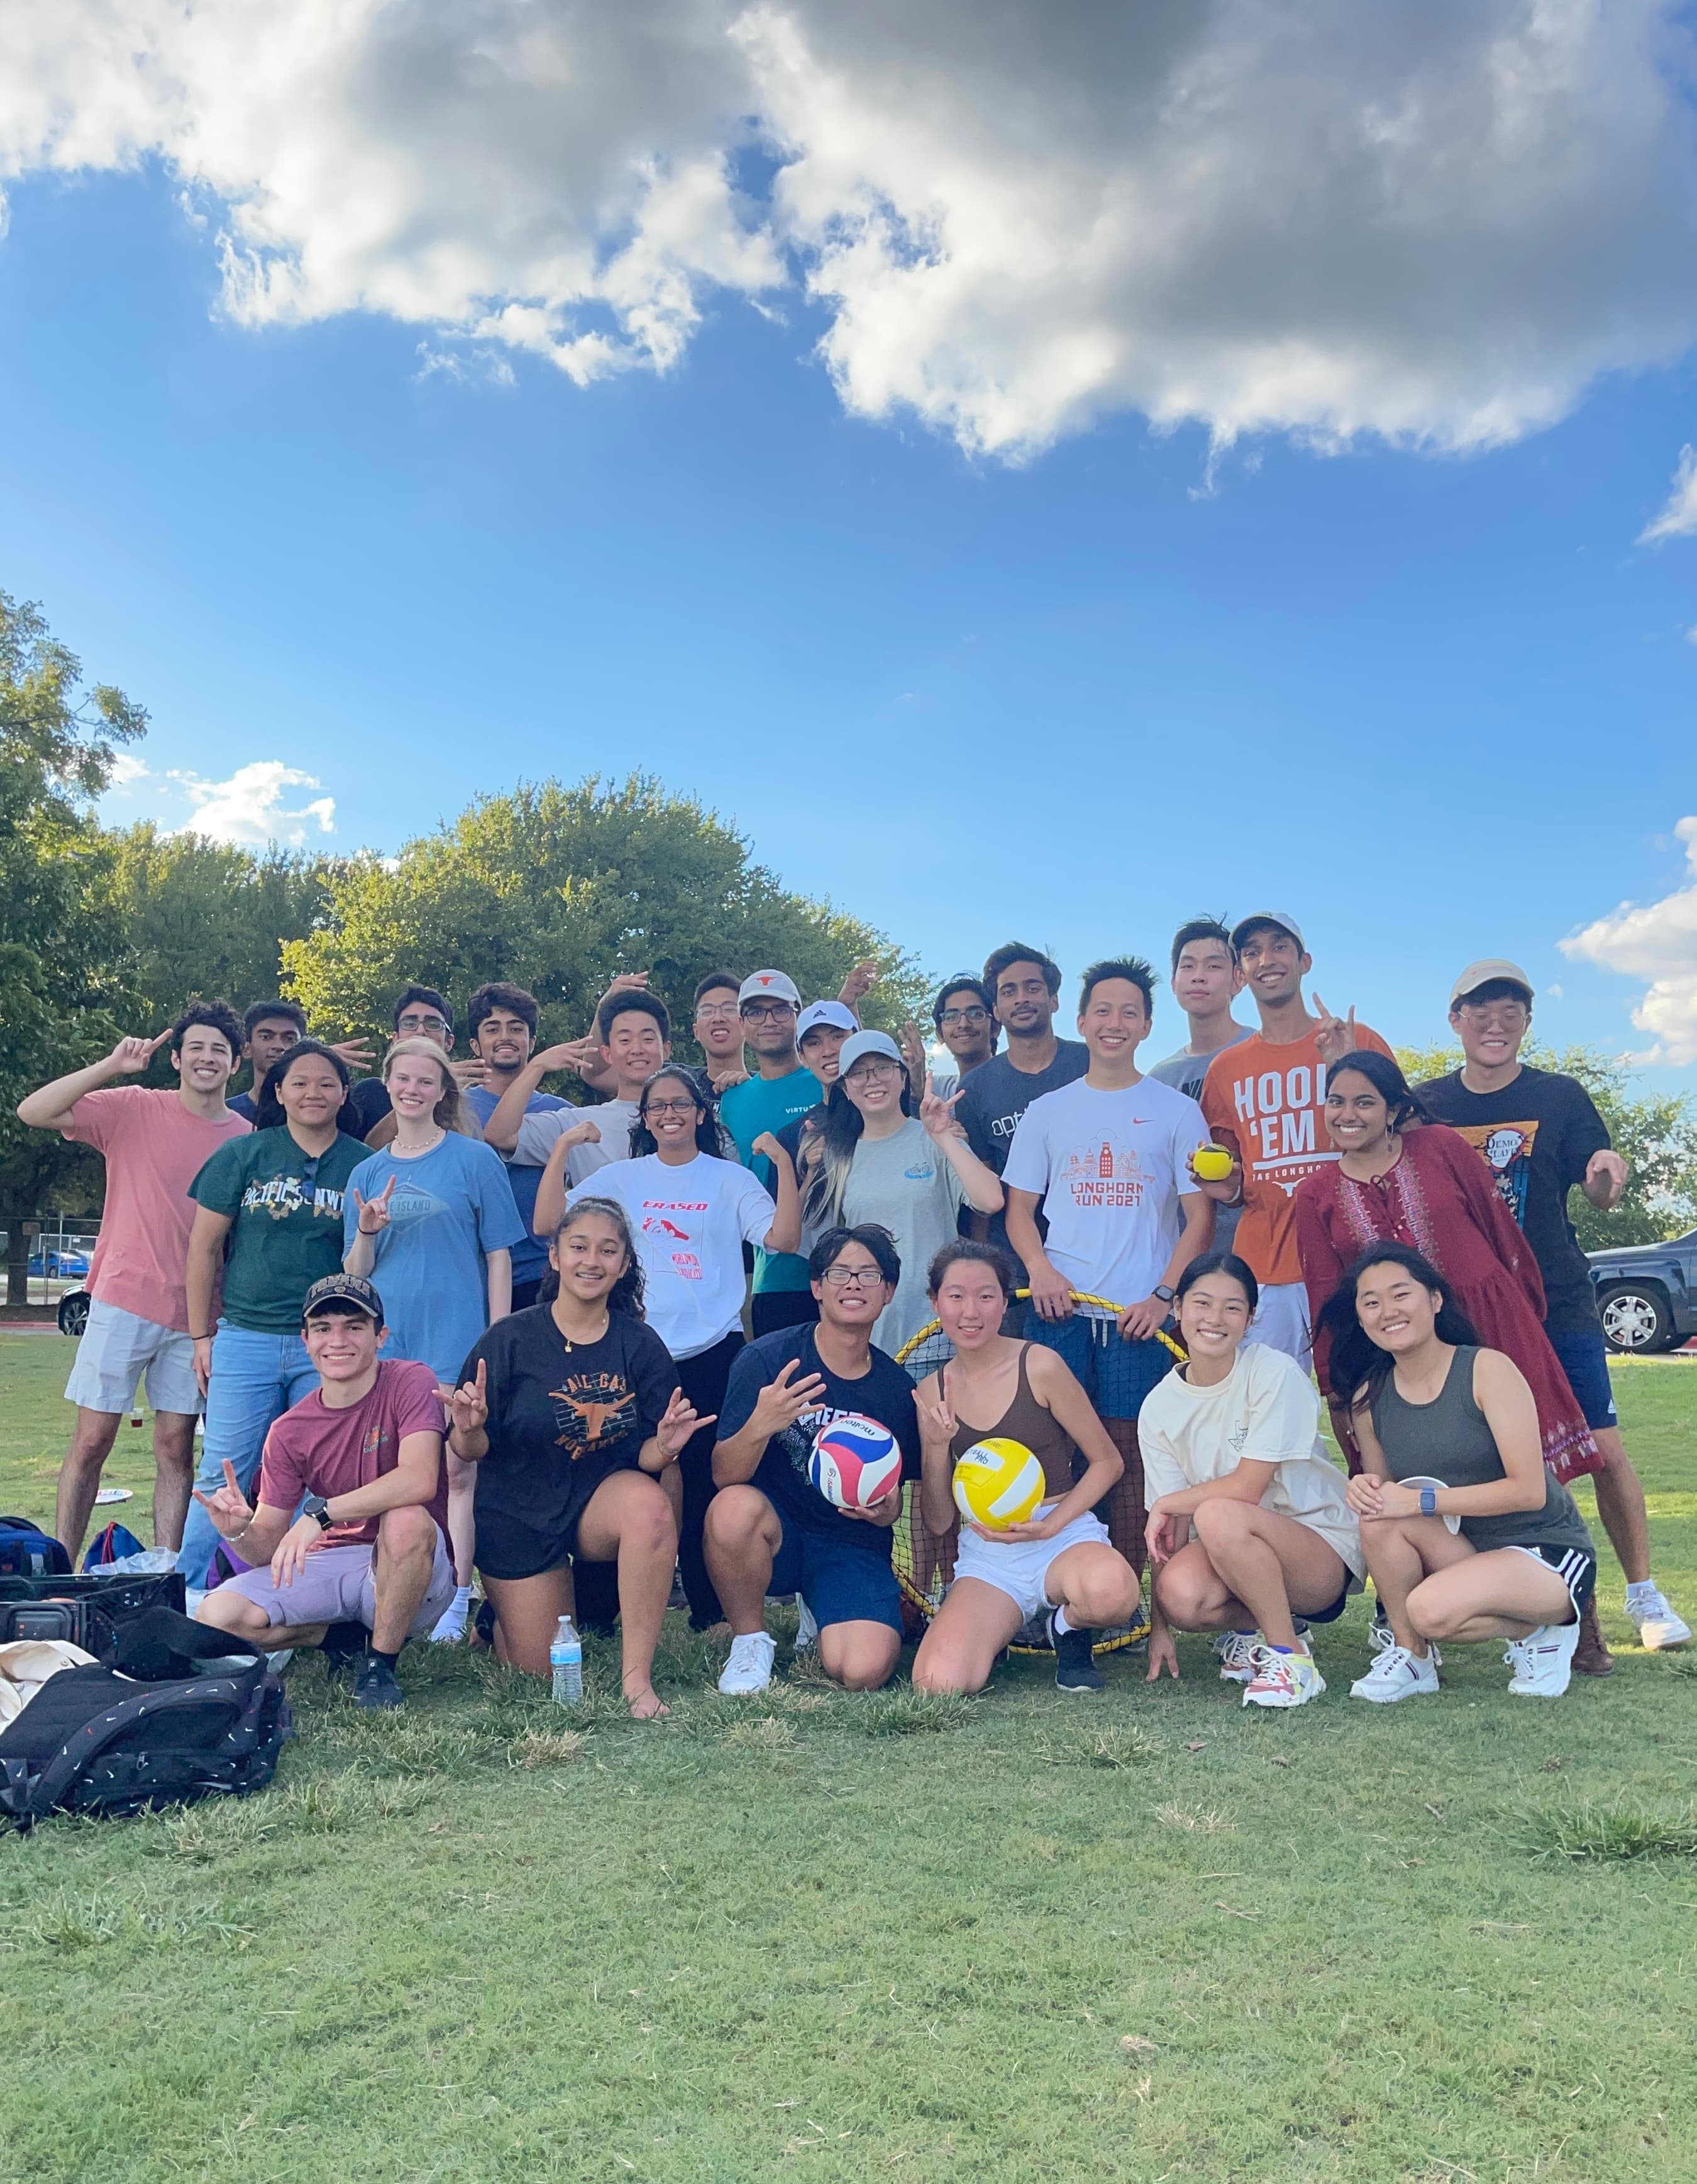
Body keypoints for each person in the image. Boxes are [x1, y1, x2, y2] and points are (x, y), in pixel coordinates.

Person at [1417, 959, 1688, 1659]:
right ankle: (1550, 1606)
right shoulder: (1428, 1105)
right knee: (1487, 1463)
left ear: (1526, 1022)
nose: (1494, 1022)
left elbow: (1597, 1182)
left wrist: (1606, 1175)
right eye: (1479, 1009)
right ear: (1454, 1021)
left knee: (1599, 1450)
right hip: (1465, 1316)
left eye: (1510, 1009)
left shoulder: (1558, 1096)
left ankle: (1641, 1592)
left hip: (1554, 1301)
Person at [533, 1063, 802, 1630]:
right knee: (620, 1471)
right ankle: (601, 1612)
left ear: (702, 1114)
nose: (670, 1113)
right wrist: (560, 1148)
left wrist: (781, 1164)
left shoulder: (727, 1178)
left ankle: (711, 1611)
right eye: (658, 1106)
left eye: (682, 1103)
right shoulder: (623, 1177)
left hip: (713, 1349)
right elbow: (548, 1222)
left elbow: (782, 1238)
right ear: (645, 1118)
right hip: (634, 1350)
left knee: (706, 1479)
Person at [439, 1195, 707, 1719]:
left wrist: (666, 1445)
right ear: (555, 1256)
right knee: (541, 1672)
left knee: (650, 1504)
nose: (592, 1260)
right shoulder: (509, 1340)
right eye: (579, 1246)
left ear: (624, 1264)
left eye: (608, 1250)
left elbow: (649, 1456)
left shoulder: (641, 1345)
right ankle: (499, 1616)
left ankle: (637, 1682)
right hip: (517, 1506)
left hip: (596, 1498)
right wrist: (467, 1428)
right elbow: (470, 1448)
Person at [1293, 1051, 1602, 1484]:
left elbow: (1499, 1229)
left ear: (1393, 1110)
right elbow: (1327, 1294)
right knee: (1432, 1481)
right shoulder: (1314, 1193)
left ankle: (1545, 1552)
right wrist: (1336, 1387)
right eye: (1335, 1101)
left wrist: (1524, 1313)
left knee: (1526, 1474)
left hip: (1490, 1325)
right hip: (1399, 1351)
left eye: (1364, 1101)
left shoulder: (1440, 1146)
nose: (1347, 1114)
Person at [15, 1006, 250, 1560]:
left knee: (174, 1447)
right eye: (196, 1047)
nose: (206, 1058)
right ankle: (61, 1569)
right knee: (93, 1440)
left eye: (219, 1049)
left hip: (197, 1317)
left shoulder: (247, 1139)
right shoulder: (132, 1107)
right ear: (176, 1057)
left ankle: (162, 1574)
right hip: (124, 1299)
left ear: (235, 1064)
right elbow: (33, 1111)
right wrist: (113, 1065)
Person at [1002, 959, 1214, 1570]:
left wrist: (1163, 1295)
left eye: (1127, 1011)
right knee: (1051, 1449)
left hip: (1135, 1318)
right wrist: (1038, 1269)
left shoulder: (1175, 1111)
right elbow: (1019, 1211)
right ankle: (1046, 1580)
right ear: (1081, 1019)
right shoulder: (1048, 1110)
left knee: (1128, 1455)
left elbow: (1197, 1217)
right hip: (1057, 1311)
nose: (1113, 1022)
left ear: (1146, 1025)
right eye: (1102, 1009)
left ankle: (1121, 1590)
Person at [1320, 1246, 1600, 1702]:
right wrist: (1367, 1490)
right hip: (1464, 1551)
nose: (1387, 1311)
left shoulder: (1486, 1368)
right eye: (1370, 1302)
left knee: (1428, 1610)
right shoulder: (1370, 1397)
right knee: (1376, 1516)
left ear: (1434, 1299)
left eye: (1400, 1294)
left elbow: (1528, 1491)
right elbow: (1393, 1500)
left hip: (1543, 1552)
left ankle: (1545, 1626)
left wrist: (1420, 1502)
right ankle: (1412, 1658)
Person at [191, 1274, 455, 1709]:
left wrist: (321, 1514)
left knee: (405, 1517)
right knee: (218, 1616)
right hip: (337, 1562)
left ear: (380, 1336)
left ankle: (380, 1667)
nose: (338, 1340)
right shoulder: (289, 1430)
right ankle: (344, 1639)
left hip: (414, 1566)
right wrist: (238, 1530)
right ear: (306, 1340)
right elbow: (267, 1546)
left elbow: (419, 1478)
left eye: (353, 1326)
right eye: (322, 1328)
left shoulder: (410, 1379)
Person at [343, 1036, 526, 1642]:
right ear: (389, 1085)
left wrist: (497, 1335)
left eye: (426, 1081)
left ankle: (455, 1598)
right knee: (390, 1472)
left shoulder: (475, 1161)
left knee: (456, 1473)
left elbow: (499, 1253)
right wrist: (367, 1230)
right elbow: (356, 1272)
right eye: (403, 1079)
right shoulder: (367, 1172)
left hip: (458, 1340)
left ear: (443, 1090)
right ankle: (389, 1591)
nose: (412, 1090)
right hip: (389, 1348)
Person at [910, 1242, 1143, 1695]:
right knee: (936, 1683)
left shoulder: (1039, 1364)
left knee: (1113, 1593)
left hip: (1062, 1534)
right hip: (990, 1553)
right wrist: (937, 1447)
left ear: (1004, 1300)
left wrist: (1051, 1524)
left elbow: (1106, 1462)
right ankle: (995, 1632)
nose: (970, 1311)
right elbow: (938, 1520)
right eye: (955, 1296)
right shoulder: (930, 1391)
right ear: (935, 1302)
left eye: (986, 1295)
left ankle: (1068, 1627)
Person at [175, 1039, 368, 1583]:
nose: (314, 1092)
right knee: (223, 1469)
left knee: (319, 1474)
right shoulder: (245, 1154)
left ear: (344, 1093)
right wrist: (199, 1336)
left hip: (328, 1343)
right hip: (247, 1335)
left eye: (327, 1082)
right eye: (300, 1082)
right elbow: (203, 1249)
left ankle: (303, 1590)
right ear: (279, 1091)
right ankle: (187, 1592)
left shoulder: (362, 1163)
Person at [1138, 1253, 1363, 1709]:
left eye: (1232, 1307)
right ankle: (1262, 1629)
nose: (1214, 1319)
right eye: (1201, 1303)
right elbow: (1169, 1529)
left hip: (1319, 1550)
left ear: (1250, 1318)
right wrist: (1161, 1629)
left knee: (1218, 1512)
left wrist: (1174, 1501)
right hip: (1236, 1552)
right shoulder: (1158, 1406)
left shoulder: (1273, 1371)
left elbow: (1247, 1488)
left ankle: (1290, 1659)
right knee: (1181, 1595)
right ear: (1177, 1308)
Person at [706, 1224, 922, 1695]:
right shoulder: (768, 1360)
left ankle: (821, 1607)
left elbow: (894, 1500)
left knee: (861, 1671)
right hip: (776, 1533)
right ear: (816, 1286)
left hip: (849, 1542)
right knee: (732, 1509)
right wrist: (762, 1421)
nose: (853, 1284)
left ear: (888, 1291)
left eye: (868, 1274)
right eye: (839, 1272)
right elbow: (725, 1474)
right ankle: (749, 1640)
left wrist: (888, 1510)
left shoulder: (897, 1389)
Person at [1196, 912, 1392, 1364]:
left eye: (1278, 946)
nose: (1266, 959)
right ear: (1240, 975)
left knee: (1368, 1402)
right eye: (1251, 952)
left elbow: (1403, 1145)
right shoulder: (1224, 1069)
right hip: (1266, 1267)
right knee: (1266, 1409)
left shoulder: (1357, 1040)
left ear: (1304, 961)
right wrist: (1227, 1189)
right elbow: (1233, 1173)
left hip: (1356, 1257)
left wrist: (1346, 1067)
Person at [797, 1030, 1003, 1352]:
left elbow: (990, 1201)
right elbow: (818, 1255)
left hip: (942, 1332)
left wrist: (944, 1137)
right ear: (845, 1089)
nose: (872, 1080)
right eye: (858, 1073)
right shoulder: (835, 1158)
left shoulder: (935, 1138)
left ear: (902, 1077)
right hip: (868, 1341)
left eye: (882, 1067)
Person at [954, 944, 1090, 1279]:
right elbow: (983, 1197)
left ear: (1054, 999)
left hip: (1094, 1254)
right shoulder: (974, 1090)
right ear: (996, 1010)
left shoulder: (1092, 1064)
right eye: (1009, 991)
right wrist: (985, 1270)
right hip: (1014, 1266)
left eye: (1033, 988)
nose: (1021, 999)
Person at [719, 972, 829, 1334]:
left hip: (841, 1268)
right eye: (756, 1012)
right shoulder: (731, 1100)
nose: (769, 1021)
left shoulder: (831, 1082)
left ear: (798, 1015)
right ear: (742, 1024)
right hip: (773, 1276)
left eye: (780, 1010)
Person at [481, 987, 669, 1183]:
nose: (637, 1049)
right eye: (625, 1040)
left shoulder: (692, 1115)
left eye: (648, 1039)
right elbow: (500, 1135)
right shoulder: (579, 1124)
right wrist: (536, 1066)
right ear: (607, 1054)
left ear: (666, 1048)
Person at [459, 981, 568, 1311]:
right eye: (493, 1028)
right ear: (476, 1045)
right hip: (471, 1276)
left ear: (532, 1042)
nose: (505, 1036)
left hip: (545, 1276)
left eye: (516, 1028)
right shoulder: (450, 1110)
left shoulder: (560, 1112)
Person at [1146, 919, 1252, 1252]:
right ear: (1175, 982)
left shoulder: (1262, 1053)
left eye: (1214, 965)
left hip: (1256, 1243)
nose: (1198, 976)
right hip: (1186, 1255)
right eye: (1187, 966)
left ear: (1239, 979)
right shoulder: (1159, 1079)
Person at [348, 985, 488, 1141]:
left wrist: (445, 1084)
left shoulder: (468, 1096)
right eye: (409, 1023)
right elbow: (365, 1155)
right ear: (395, 1039)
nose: (421, 1031)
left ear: (449, 1042)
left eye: (433, 1024)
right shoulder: (369, 1093)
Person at [225, 1000, 373, 1133]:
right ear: (246, 1048)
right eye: (266, 1037)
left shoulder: (324, 1111)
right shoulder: (229, 1113)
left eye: (289, 1039)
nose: (279, 1046)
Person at [927, 975, 1000, 1100]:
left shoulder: (1019, 1084)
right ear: (940, 1033)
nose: (963, 1024)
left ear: (995, 1028)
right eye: (951, 1017)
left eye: (976, 1015)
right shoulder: (937, 1091)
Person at [692, 971, 751, 1095]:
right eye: (707, 1011)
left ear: (745, 1024)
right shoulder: (681, 1086)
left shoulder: (765, 1089)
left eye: (729, 1009)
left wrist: (752, 1091)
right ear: (696, 1031)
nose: (718, 1018)